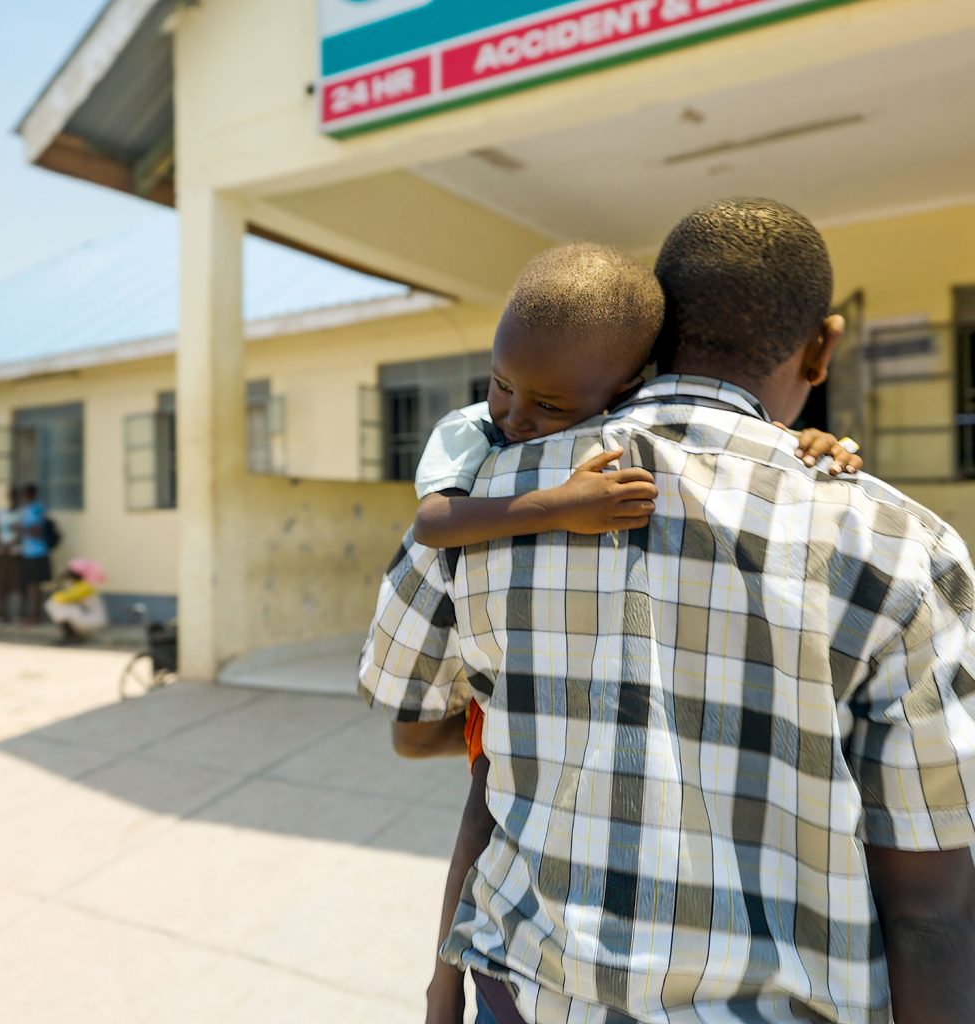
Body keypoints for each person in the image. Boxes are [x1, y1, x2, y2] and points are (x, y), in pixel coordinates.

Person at [361, 199, 975, 1024]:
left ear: (652, 348)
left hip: (528, 993)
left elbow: (411, 726)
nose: (510, 414)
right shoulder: (902, 545)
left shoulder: (490, 495)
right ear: (823, 346)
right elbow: (930, 905)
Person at [44, 559, 107, 644]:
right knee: (57, 605)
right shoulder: (79, 585)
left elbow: (60, 598)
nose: (68, 574)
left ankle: (72, 636)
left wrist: (60, 581)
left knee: (53, 605)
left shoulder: (84, 587)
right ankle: (74, 635)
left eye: (71, 572)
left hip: (92, 621)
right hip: (87, 618)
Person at [19, 483, 51, 625]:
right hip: (27, 552)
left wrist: (24, 529)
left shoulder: (37, 508)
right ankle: (31, 614)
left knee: (36, 587)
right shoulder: (26, 509)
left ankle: (37, 616)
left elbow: (36, 530)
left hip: (37, 552)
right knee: (29, 586)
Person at [0, 487, 23, 622]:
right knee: (1, 584)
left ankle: (20, 613)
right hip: (2, 553)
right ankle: (1, 613)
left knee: (17, 583)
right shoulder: (2, 513)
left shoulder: (21, 514)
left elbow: (20, 532)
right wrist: (2, 544)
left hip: (14, 553)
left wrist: (10, 544)